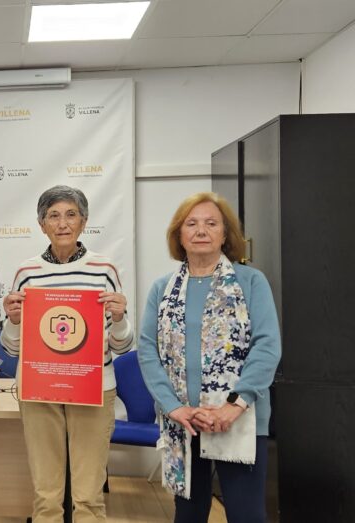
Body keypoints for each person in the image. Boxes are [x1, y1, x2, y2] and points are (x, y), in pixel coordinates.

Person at [137, 192, 280, 523]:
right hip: (183, 421)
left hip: (239, 418)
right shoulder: (162, 288)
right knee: (188, 515)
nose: (201, 230)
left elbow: (267, 346)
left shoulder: (251, 282)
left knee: (246, 515)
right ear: (179, 235)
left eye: (211, 223)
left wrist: (234, 405)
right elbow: (147, 349)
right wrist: (173, 407)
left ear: (225, 234)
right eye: (192, 223)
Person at [0, 185, 133, 523]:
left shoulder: (104, 270)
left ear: (84, 222)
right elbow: (12, 347)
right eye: (53, 216)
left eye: (71, 215)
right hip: (39, 389)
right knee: (46, 496)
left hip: (93, 388)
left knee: (88, 497)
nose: (62, 223)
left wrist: (120, 318)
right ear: (41, 224)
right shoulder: (27, 273)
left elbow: (122, 346)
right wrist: (13, 321)